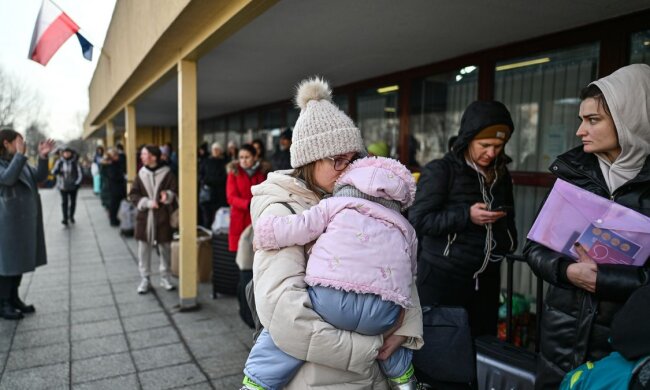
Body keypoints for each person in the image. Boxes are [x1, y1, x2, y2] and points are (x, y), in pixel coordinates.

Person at [244, 77, 423, 389]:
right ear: (309, 161)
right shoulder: (282, 210)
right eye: (337, 160)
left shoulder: (359, 200)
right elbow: (286, 315)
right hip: (318, 379)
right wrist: (370, 347)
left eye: (352, 159)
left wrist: (405, 330)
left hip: (370, 379)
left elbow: (398, 271)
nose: (347, 168)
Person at [524, 63, 650, 389]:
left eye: (593, 120)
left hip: (623, 350)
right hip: (560, 338)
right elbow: (534, 248)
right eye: (581, 120)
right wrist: (566, 272)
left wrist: (604, 280)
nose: (580, 131)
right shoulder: (572, 174)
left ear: (630, 121)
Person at [409, 100, 518, 340]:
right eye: (485, 144)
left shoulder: (501, 173)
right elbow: (418, 219)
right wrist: (466, 216)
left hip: (486, 279)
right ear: (468, 138)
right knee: (439, 350)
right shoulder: (441, 170)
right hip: (442, 278)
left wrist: (507, 242)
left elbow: (509, 217)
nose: (491, 153)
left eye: (499, 146)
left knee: (481, 346)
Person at [0, 129, 54, 319]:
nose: (22, 145)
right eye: (19, 141)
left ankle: (14, 298)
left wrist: (42, 157)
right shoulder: (12, 162)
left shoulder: (19, 161)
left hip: (23, 221)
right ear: (6, 143)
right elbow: (7, 179)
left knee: (19, 261)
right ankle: (3, 303)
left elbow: (40, 177)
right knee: (7, 263)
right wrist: (20, 157)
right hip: (6, 223)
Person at [129, 145, 178, 294]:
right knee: (143, 249)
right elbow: (133, 195)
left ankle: (165, 277)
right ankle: (145, 279)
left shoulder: (168, 173)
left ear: (153, 157)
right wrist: (147, 203)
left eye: (144, 154)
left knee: (165, 249)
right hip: (144, 218)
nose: (141, 157)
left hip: (163, 217)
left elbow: (175, 191)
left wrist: (167, 195)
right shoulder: (141, 174)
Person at [226, 144, 266, 252]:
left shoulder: (261, 173)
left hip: (256, 217)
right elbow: (231, 197)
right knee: (240, 256)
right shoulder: (234, 173)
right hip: (239, 218)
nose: (243, 160)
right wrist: (248, 204)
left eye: (247, 157)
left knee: (257, 254)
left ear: (254, 157)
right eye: (241, 157)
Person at [199, 142, 228, 228]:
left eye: (217, 149)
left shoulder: (225, 162)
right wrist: (205, 181)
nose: (215, 151)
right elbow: (201, 175)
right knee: (207, 218)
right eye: (214, 149)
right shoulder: (206, 161)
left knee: (218, 217)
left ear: (221, 151)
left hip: (220, 195)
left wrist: (212, 181)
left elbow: (225, 177)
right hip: (208, 194)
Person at [52, 146, 83, 226]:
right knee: (64, 202)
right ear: (63, 154)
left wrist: (77, 183)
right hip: (63, 186)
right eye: (65, 153)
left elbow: (80, 174)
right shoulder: (59, 162)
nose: (66, 154)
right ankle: (65, 218)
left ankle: (71, 216)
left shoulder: (75, 162)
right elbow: (53, 172)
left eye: (68, 153)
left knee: (73, 202)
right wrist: (58, 171)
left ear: (71, 154)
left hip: (73, 186)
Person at [100, 148, 127, 226]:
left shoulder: (111, 163)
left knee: (114, 204)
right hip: (114, 187)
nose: (117, 156)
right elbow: (113, 176)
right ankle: (113, 220)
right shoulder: (110, 164)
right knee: (114, 204)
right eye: (115, 155)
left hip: (114, 186)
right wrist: (122, 176)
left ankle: (114, 219)